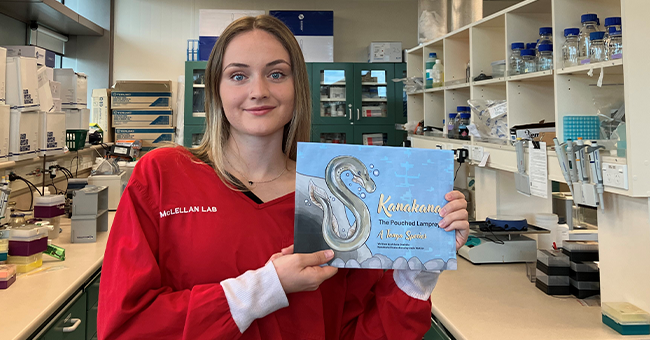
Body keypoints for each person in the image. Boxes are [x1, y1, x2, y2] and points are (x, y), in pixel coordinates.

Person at [98, 15, 469, 340]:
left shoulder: (330, 197)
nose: (258, 91)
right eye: (238, 75)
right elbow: (126, 326)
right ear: (216, 89)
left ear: (297, 89)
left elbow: (362, 330)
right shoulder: (164, 175)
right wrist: (264, 287)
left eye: (276, 74)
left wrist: (420, 266)